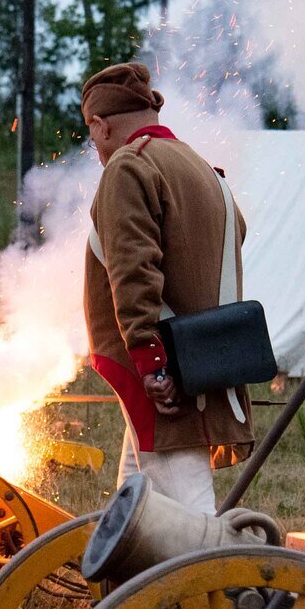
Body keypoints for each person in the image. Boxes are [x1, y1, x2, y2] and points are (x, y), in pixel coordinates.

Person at [81, 61, 255, 514]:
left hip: (163, 363)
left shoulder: (127, 167)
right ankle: (131, 580)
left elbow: (133, 270)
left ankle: (209, 579)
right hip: (203, 353)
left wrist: (150, 360)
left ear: (100, 126)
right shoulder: (203, 169)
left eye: (91, 133)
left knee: (186, 510)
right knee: (137, 498)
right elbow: (234, 234)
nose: (94, 145)